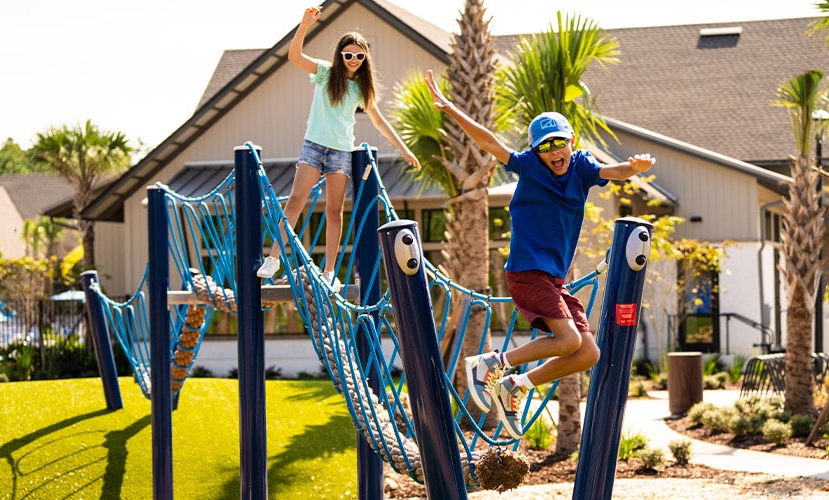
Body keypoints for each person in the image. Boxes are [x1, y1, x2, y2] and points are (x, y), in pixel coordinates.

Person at [424, 69, 655, 438]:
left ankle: (516, 385)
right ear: (535, 151)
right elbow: (490, 143)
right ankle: (491, 364)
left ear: (571, 141)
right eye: (545, 146)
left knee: (587, 353)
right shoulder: (529, 166)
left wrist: (634, 167)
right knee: (567, 341)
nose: (554, 152)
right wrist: (451, 109)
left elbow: (615, 170)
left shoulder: (581, 166)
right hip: (528, 272)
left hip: (553, 280)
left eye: (559, 143)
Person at [257, 6, 420, 289]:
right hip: (314, 147)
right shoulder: (325, 73)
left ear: (365, 58)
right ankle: (273, 258)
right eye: (348, 55)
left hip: (341, 153)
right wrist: (304, 24)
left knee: (334, 210)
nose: (353, 60)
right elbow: (293, 56)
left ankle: (330, 271)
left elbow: (379, 122)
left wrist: (404, 149)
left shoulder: (362, 88)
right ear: (340, 55)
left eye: (359, 55)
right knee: (295, 200)